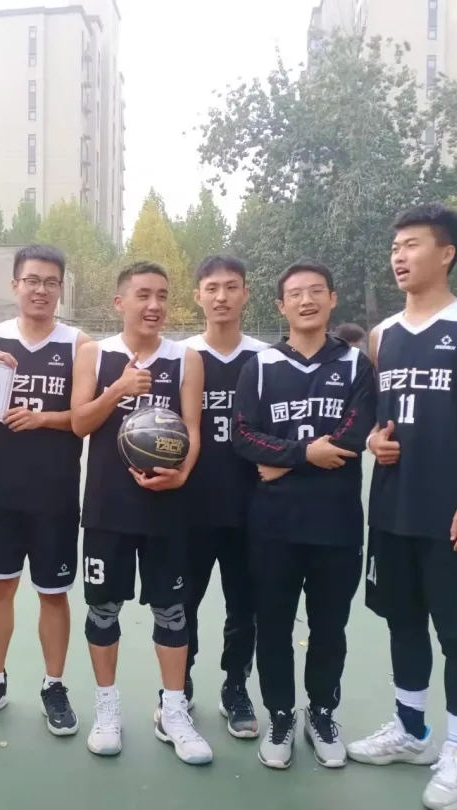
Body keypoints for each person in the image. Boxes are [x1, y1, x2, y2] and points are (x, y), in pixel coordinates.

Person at [349, 204, 457, 810]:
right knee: (403, 621)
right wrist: (373, 441)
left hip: (452, 509)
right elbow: (376, 417)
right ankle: (411, 731)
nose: (399, 255)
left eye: (412, 244)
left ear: (446, 253)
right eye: (395, 246)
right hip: (393, 505)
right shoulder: (382, 335)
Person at [231, 259, 375, 771]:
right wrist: (306, 454)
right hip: (273, 525)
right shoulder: (262, 365)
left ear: (332, 299)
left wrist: (286, 460)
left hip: (336, 523)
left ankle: (322, 712)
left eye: (317, 291)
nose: (307, 300)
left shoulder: (357, 365)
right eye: (296, 293)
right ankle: (280, 715)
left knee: (330, 627)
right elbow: (242, 435)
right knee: (272, 625)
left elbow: (355, 435)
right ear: (281, 305)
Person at [70, 260, 213, 766]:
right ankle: (107, 709)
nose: (154, 305)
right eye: (143, 295)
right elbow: (79, 423)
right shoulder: (95, 354)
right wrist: (117, 390)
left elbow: (193, 430)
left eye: (162, 296)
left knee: (172, 611)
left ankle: (173, 711)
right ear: (120, 303)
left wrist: (183, 473)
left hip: (167, 509)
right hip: (108, 507)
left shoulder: (186, 358)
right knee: (103, 610)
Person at [0, 244, 90, 735]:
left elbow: (83, 417)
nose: (41, 290)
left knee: (53, 593)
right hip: (3, 487)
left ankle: (54, 685)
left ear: (61, 288)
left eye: (50, 282)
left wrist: (42, 419)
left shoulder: (78, 342)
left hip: (56, 489)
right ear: (15, 285)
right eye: (31, 280)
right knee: (0, 587)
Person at [178, 255, 267, 737]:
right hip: (190, 507)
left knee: (244, 607)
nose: (221, 296)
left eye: (232, 287)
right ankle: (180, 683)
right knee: (183, 603)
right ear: (198, 296)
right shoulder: (181, 356)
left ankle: (236, 686)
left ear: (245, 294)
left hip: (252, 508)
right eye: (212, 288)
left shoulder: (266, 358)